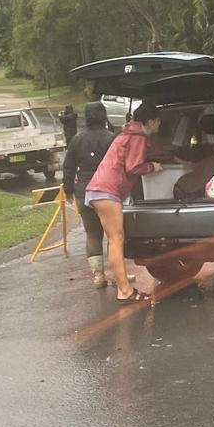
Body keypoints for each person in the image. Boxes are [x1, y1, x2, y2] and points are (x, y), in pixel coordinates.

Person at [84, 103, 165, 303]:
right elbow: (133, 166)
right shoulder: (137, 137)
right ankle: (124, 291)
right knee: (116, 240)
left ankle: (124, 288)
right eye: (159, 122)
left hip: (101, 190)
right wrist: (152, 167)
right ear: (152, 121)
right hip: (106, 191)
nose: (159, 126)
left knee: (115, 239)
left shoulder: (128, 133)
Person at [61, 101, 121, 289]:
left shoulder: (77, 139)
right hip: (107, 192)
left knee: (92, 235)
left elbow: (68, 167)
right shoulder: (111, 138)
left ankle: (98, 276)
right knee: (114, 235)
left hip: (83, 192)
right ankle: (120, 275)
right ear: (104, 116)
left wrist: (69, 190)